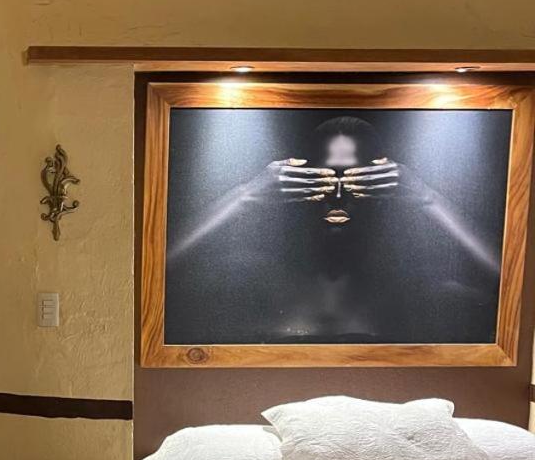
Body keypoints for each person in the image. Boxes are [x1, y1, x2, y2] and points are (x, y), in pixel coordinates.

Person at [165, 115, 501, 345]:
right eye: (324, 179)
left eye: (357, 180)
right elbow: (153, 277)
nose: (338, 195)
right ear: (295, 181)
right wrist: (247, 195)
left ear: (385, 186)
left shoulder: (416, 284)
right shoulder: (250, 274)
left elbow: (511, 287)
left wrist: (425, 197)